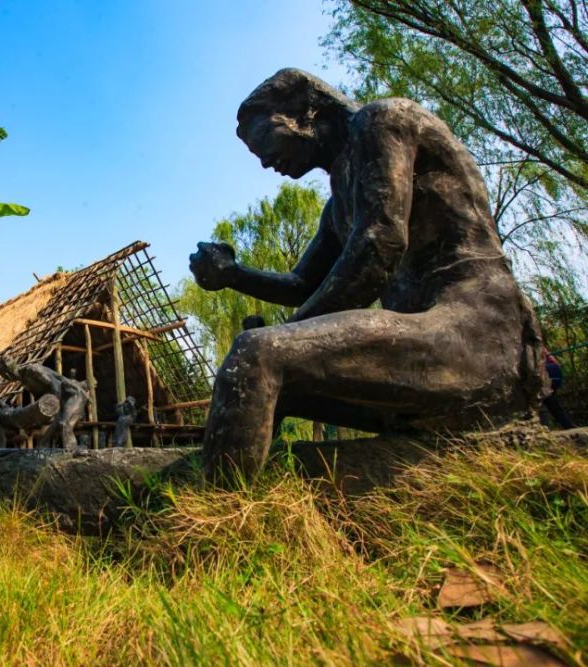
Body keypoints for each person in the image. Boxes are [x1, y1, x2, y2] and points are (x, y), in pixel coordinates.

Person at [190, 68, 547, 481]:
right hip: (425, 349)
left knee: (257, 355)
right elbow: (302, 284)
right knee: (268, 381)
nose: (265, 160)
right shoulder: (339, 203)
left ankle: (219, 523)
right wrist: (235, 275)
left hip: (477, 334)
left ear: (307, 114)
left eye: (265, 141)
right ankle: (264, 498)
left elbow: (379, 247)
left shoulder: (383, 121)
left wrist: (287, 336)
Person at [542, 350, 575, 429]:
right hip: (550, 380)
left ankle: (567, 425)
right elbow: (556, 363)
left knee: (548, 406)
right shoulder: (542, 350)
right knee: (553, 406)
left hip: (544, 381)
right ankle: (567, 425)